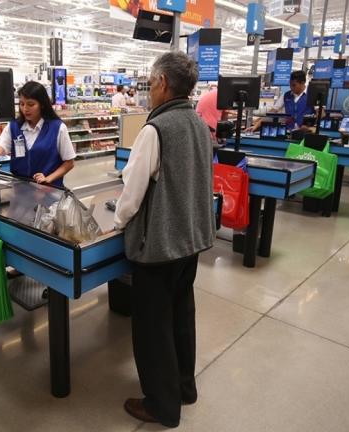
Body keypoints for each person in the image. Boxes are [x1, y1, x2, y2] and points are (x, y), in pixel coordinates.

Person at [114, 51, 215, 428]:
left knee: (152, 327)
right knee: (181, 316)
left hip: (158, 246)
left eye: (150, 83)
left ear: (161, 83)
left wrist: (119, 221)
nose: (148, 90)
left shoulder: (154, 130)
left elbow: (133, 191)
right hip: (190, 240)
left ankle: (161, 405)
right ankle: (184, 388)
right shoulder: (198, 124)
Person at [0, 81, 75, 187]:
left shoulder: (57, 128)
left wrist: (48, 178)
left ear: (42, 104)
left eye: (30, 104)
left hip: (49, 190)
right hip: (20, 189)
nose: (25, 109)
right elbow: (1, 147)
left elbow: (69, 163)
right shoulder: (14, 126)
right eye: (22, 104)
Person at [245, 70, 313, 132]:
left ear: (302, 83)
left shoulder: (311, 94)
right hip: (289, 131)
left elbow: (321, 114)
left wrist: (311, 127)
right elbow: (272, 112)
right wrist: (256, 126)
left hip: (305, 132)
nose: (291, 87)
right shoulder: (286, 95)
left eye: (294, 85)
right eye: (290, 84)